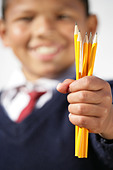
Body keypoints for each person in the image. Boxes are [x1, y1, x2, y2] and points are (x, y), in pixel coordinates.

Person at [0, 0, 113, 169]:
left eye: (62, 16)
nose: (44, 30)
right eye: (26, 18)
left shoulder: (106, 99)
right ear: (4, 32)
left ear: (90, 27)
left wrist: (109, 125)